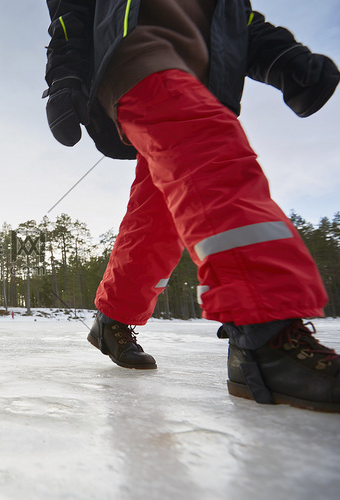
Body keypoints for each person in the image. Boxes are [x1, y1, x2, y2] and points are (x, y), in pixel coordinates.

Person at [43, 0, 340, 412]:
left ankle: (113, 318)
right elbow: (70, 13)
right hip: (136, 59)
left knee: (159, 210)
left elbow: (237, 20)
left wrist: (286, 58)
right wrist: (64, 77)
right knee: (213, 162)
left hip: (198, 79)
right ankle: (266, 334)